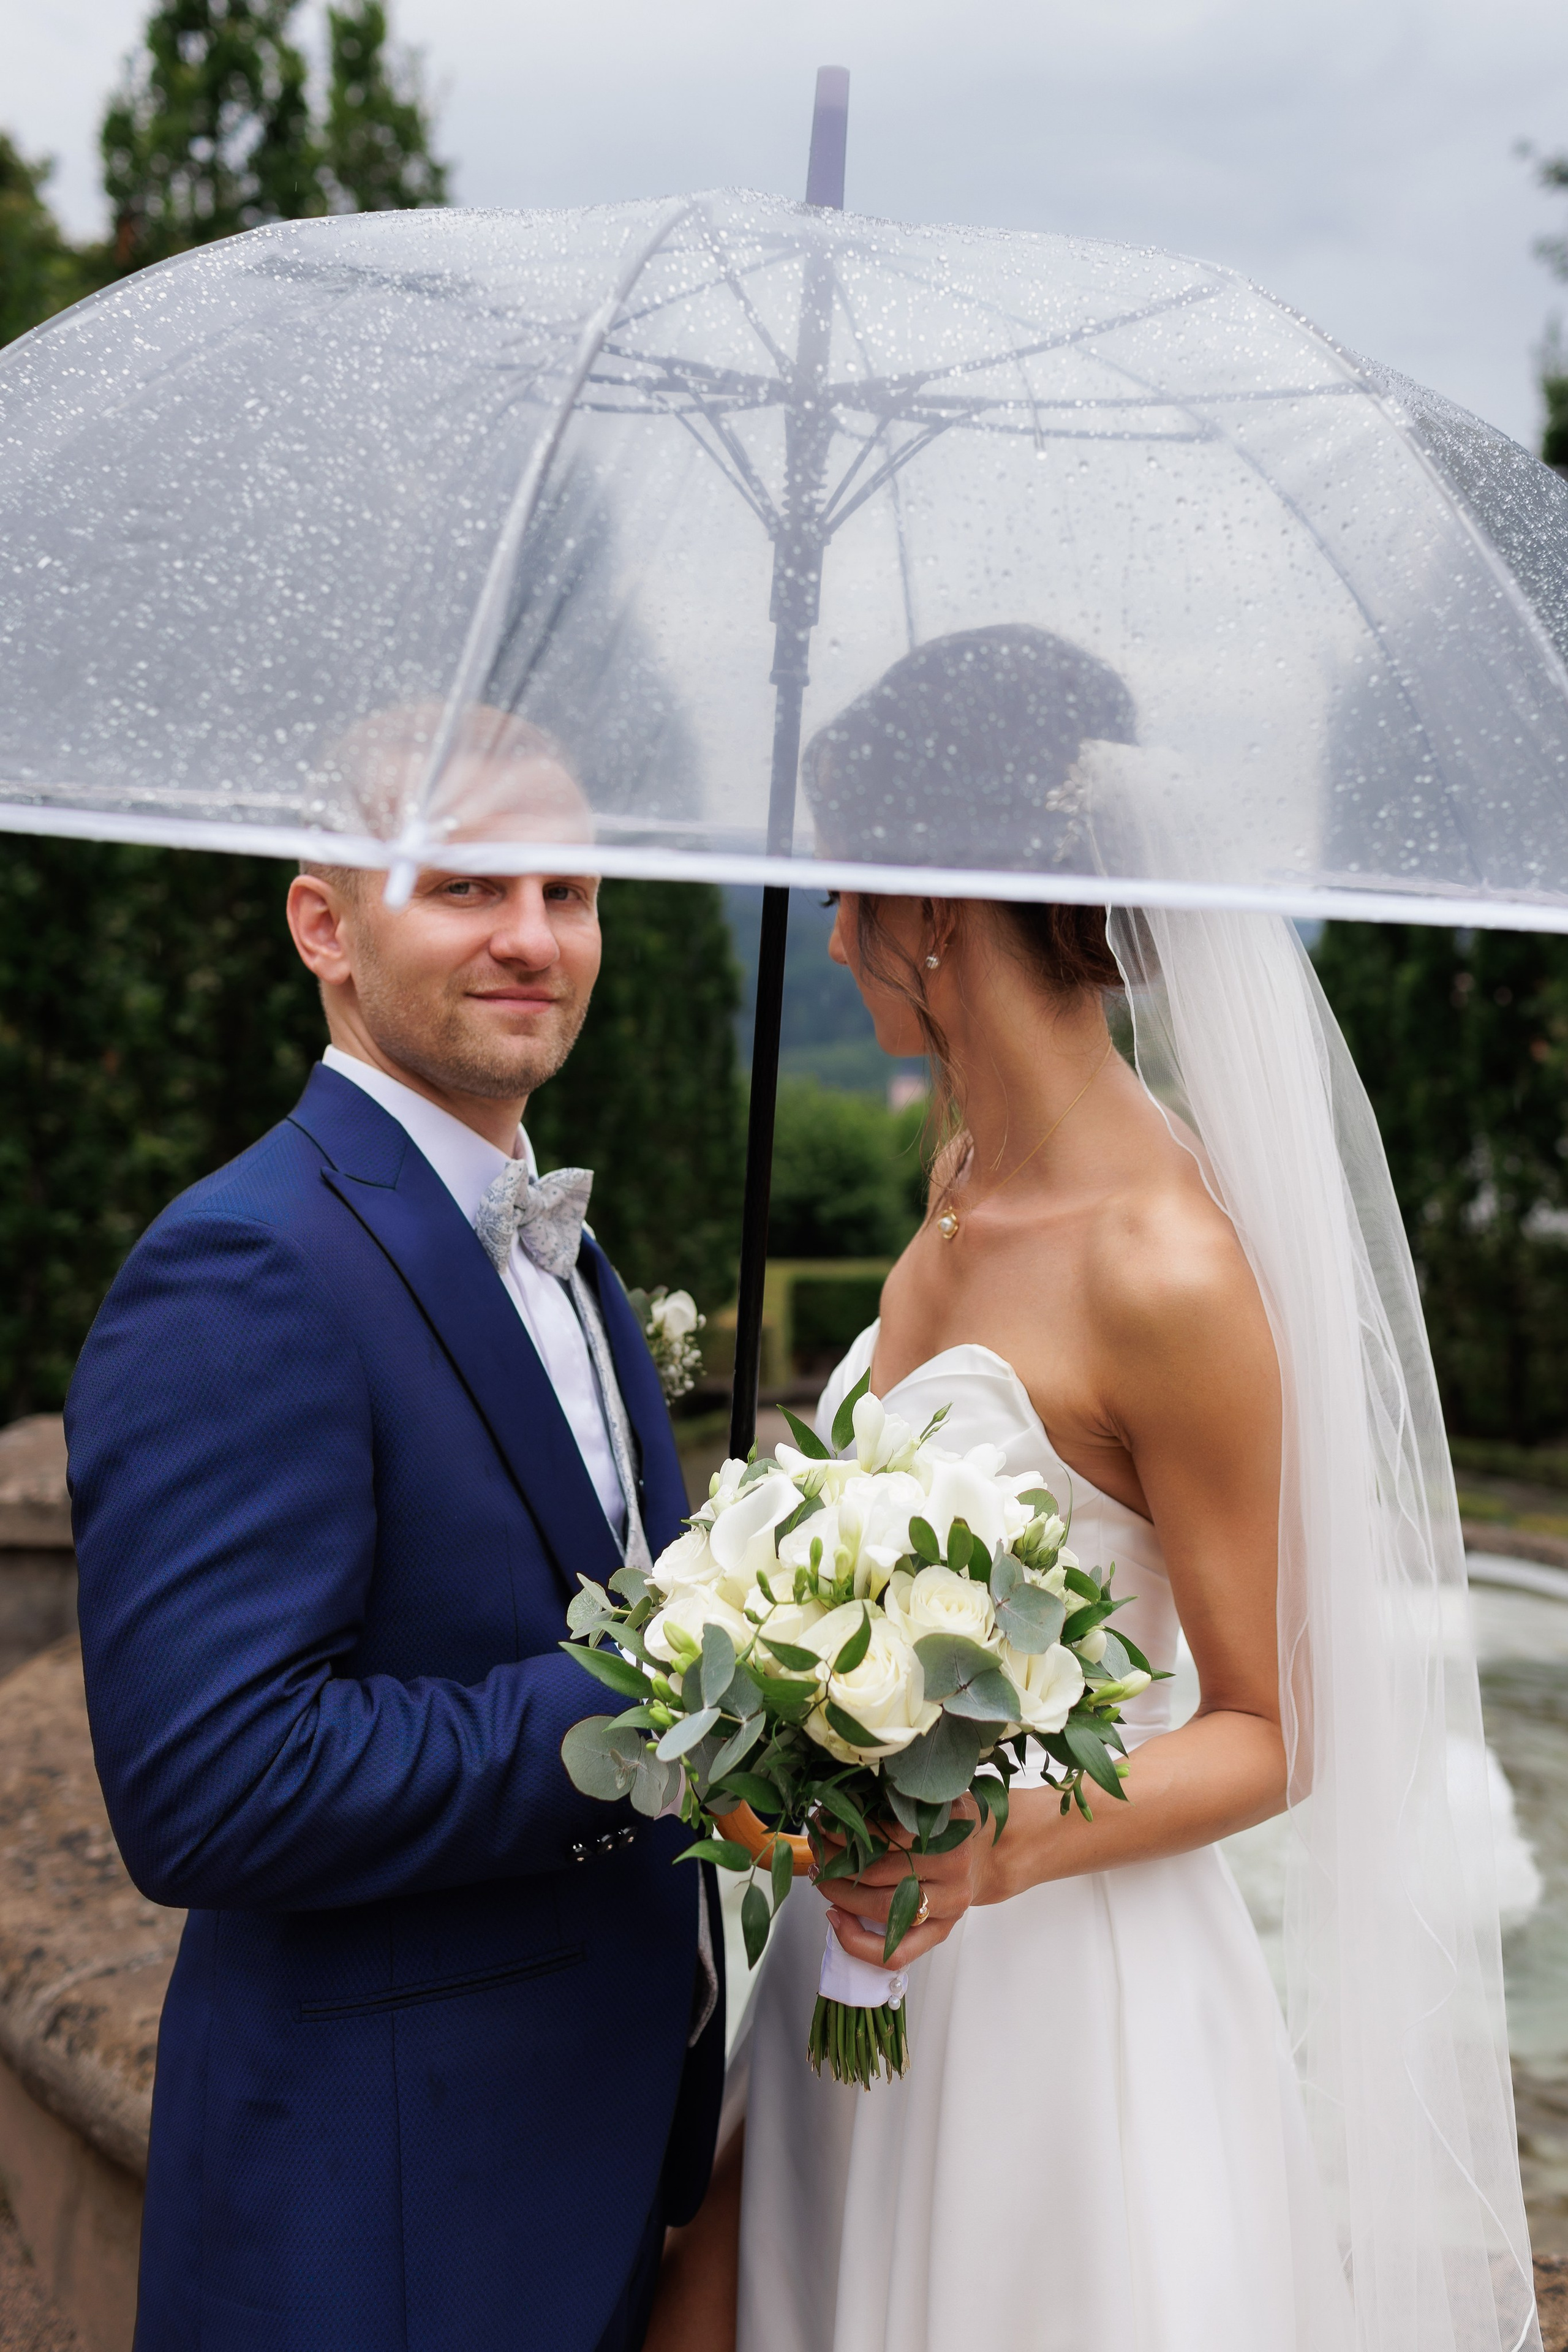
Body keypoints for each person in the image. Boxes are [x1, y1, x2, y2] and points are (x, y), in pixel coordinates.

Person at [649, 630, 1538, 2352]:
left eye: (841, 893)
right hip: (853, 1977)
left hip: (1058, 2015)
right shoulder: (956, 1185)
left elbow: (1279, 1726)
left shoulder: (1166, 1265)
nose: (827, 939)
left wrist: (995, 1849)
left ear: (933, 905)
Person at [66, 706, 723, 2352]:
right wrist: (672, 1692)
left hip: (594, 2168)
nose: (534, 938)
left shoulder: (572, 1254)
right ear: (325, 926)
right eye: (468, 886)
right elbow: (216, 1788)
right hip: (377, 2226)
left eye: (570, 893)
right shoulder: (243, 1266)